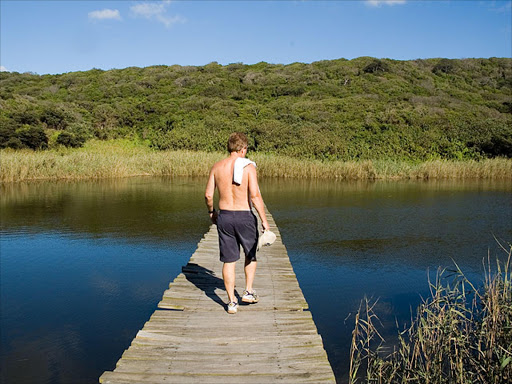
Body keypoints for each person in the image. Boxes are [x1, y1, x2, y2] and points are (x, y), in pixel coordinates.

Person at [205, 132, 270, 314]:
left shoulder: (217, 167)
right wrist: (264, 221)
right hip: (244, 216)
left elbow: (208, 195)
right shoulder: (249, 167)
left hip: (225, 216)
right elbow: (255, 196)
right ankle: (248, 292)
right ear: (243, 149)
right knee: (251, 254)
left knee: (229, 260)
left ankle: (232, 302)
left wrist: (212, 212)